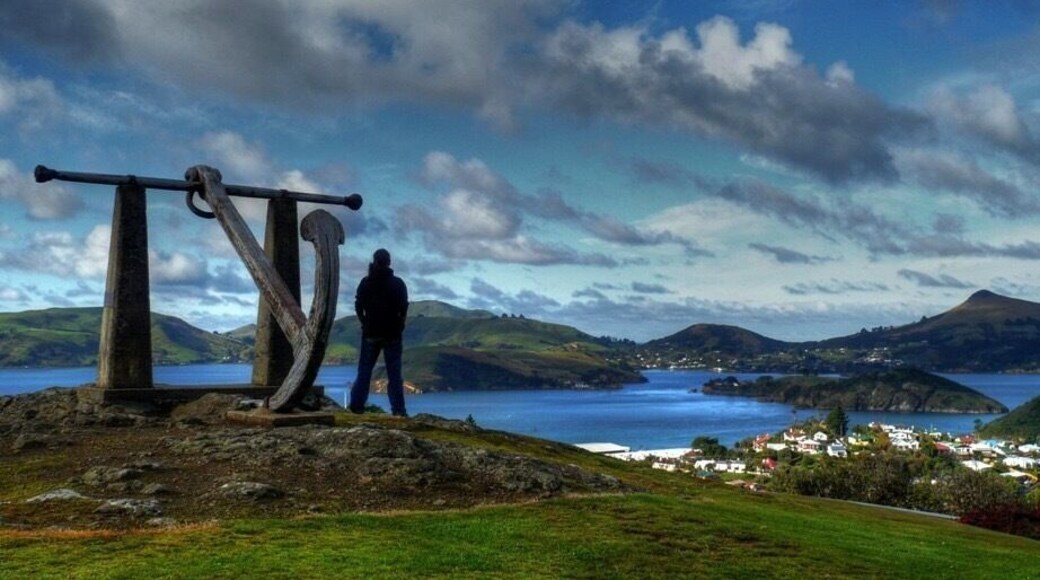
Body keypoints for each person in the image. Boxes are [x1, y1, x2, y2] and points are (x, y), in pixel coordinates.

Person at [349, 248, 409, 417]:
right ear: (389, 262)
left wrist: (364, 322)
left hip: (370, 333)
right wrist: (400, 325)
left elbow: (358, 305)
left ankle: (356, 406)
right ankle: (398, 410)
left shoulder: (366, 282)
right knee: (394, 374)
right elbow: (403, 307)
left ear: (374, 261)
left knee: (365, 371)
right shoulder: (398, 283)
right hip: (392, 334)